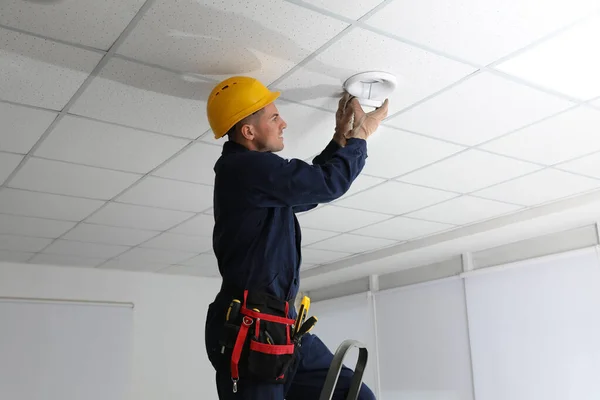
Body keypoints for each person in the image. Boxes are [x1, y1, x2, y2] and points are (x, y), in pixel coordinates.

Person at [204, 76, 389, 400]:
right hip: (253, 335)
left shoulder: (252, 175)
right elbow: (326, 183)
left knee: (357, 395)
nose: (283, 122)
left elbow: (306, 191)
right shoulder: (244, 169)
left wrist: (339, 139)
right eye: (274, 117)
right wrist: (361, 136)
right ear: (248, 132)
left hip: (281, 326)